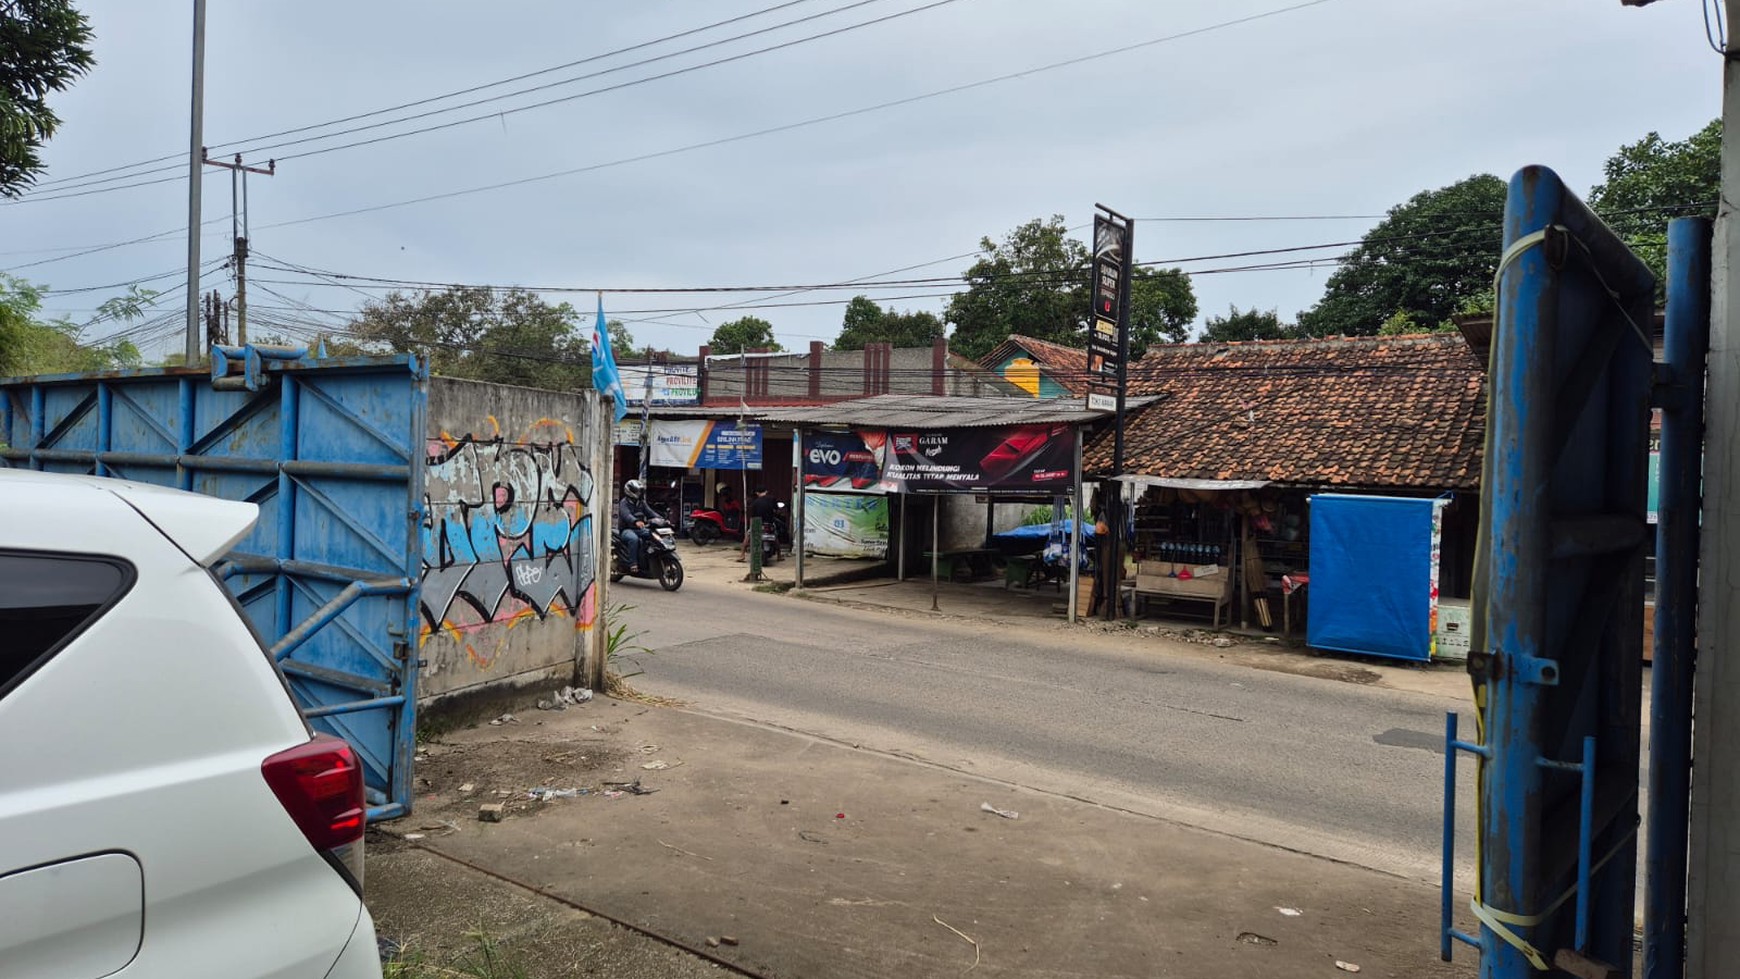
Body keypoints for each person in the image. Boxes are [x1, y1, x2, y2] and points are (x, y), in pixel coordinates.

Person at [617, 479, 657, 573]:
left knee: (653, 535)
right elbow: (626, 515)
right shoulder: (624, 503)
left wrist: (661, 519)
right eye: (637, 491)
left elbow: (650, 512)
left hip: (640, 529)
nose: (639, 493)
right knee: (634, 539)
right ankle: (633, 563)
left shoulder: (641, 502)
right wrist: (635, 521)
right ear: (630, 491)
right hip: (626, 530)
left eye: (640, 491)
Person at [738, 486, 781, 562]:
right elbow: (776, 510)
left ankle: (742, 555)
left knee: (748, 536)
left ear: (757, 493)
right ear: (766, 491)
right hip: (769, 523)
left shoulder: (755, 502)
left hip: (757, 523)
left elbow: (752, 515)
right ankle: (779, 555)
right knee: (775, 536)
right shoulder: (772, 499)